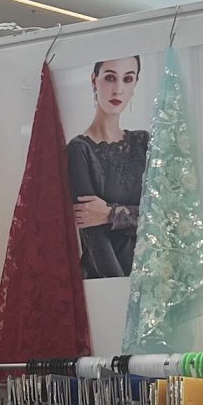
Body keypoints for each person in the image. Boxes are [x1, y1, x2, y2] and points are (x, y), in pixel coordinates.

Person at [66, 55, 148, 278]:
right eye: (110, 78)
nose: (118, 90)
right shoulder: (79, 150)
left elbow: (164, 218)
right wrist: (121, 287)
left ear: (135, 84)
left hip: (151, 278)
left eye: (127, 79)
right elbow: (94, 236)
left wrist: (110, 214)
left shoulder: (144, 143)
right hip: (104, 280)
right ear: (94, 80)